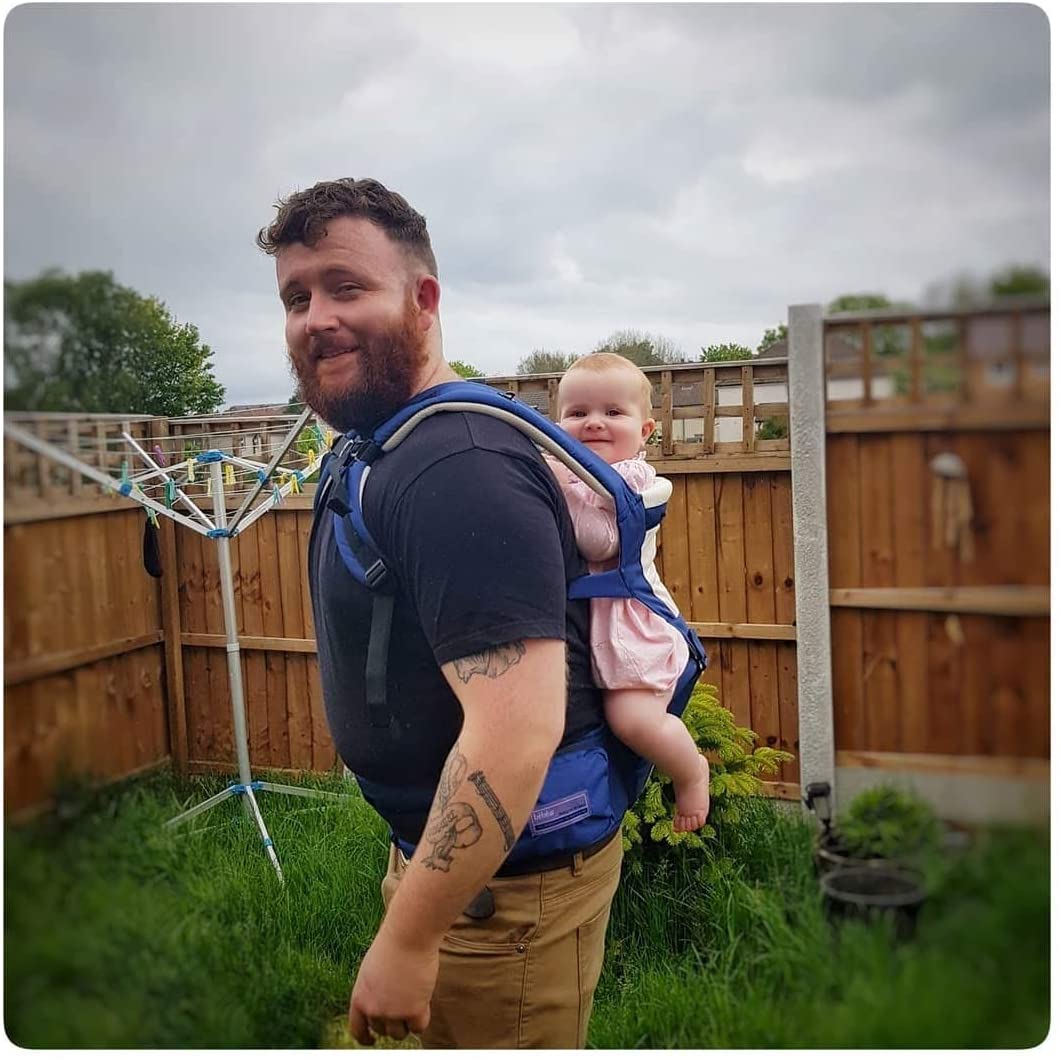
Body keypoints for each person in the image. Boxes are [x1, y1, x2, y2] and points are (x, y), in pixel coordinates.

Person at [256, 178, 621, 1049]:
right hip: (458, 869)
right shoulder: (385, 444)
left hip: (504, 903)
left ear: (422, 300)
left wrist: (411, 938)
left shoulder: (457, 466)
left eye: (346, 287)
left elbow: (513, 733)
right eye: (297, 298)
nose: (316, 319)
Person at [549, 352, 710, 833]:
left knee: (632, 720)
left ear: (645, 432)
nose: (594, 423)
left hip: (634, 630)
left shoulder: (633, 479)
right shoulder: (571, 473)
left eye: (613, 412)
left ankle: (691, 772)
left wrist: (557, 484)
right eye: (577, 413)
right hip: (595, 627)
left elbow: (602, 541)